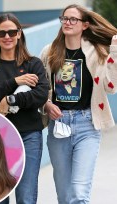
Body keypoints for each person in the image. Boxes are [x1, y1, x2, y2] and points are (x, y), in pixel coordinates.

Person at [40, 4, 117, 203]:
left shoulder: (97, 53)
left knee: (79, 194)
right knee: (65, 196)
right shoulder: (49, 52)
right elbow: (40, 89)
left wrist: (115, 53)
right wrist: (47, 104)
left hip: (88, 125)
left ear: (84, 25)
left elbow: (111, 86)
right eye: (65, 18)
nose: (68, 22)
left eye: (73, 19)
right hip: (58, 127)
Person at [0, 13, 48, 204]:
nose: (7, 36)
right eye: (2, 33)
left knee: (26, 196)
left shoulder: (33, 64)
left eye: (12, 32)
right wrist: (14, 82)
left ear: (19, 34)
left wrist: (10, 99)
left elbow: (40, 96)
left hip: (29, 136)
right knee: (0, 197)